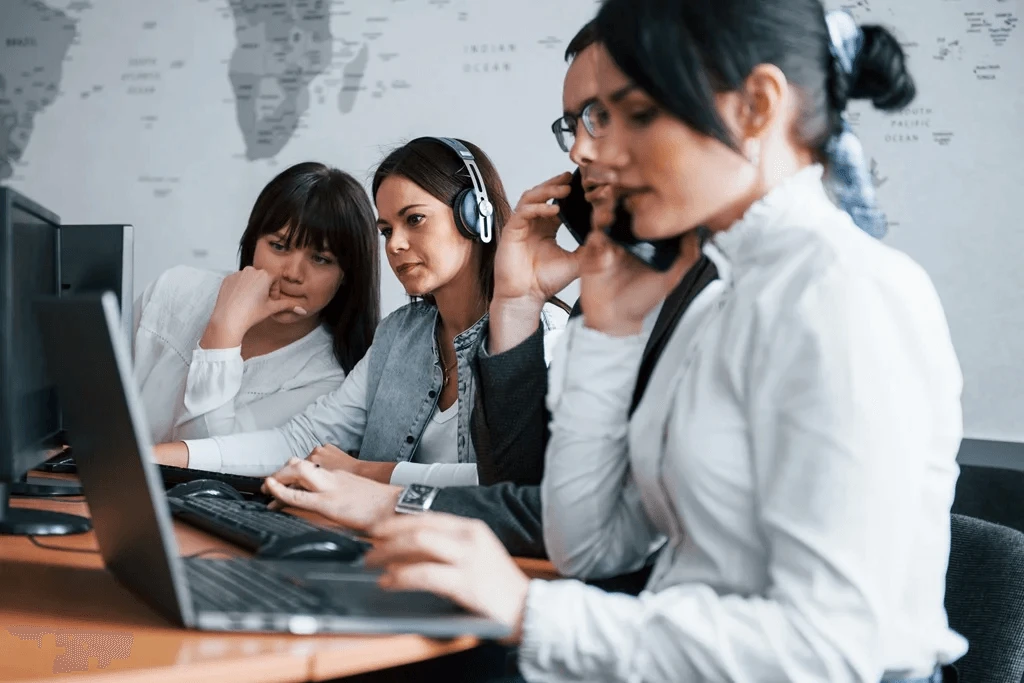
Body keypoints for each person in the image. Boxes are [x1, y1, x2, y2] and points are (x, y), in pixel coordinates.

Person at [283, 2, 970, 681]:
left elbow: (834, 648)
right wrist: (607, 337)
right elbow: (587, 544)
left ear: (757, 106)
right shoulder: (722, 299)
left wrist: (531, 610)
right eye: (588, 121)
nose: (591, 151)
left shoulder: (843, 293)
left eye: (633, 114)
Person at [261, 23, 718, 571]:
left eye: (606, 115)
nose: (578, 150)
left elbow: (563, 521)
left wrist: (385, 494)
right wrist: (517, 302)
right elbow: (555, 506)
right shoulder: (610, 300)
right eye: (573, 125)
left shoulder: (731, 295)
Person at [153, 137, 568, 487]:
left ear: (474, 216)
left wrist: (368, 473)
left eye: (415, 220)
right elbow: (302, 440)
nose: (395, 245)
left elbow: (520, 483)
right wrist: (158, 458)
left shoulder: (543, 332)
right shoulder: (398, 336)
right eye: (387, 230)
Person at [133, 162, 379, 443]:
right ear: (253, 244)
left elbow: (207, 458)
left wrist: (224, 331)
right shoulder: (175, 289)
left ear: (346, 276)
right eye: (279, 246)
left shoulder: (327, 382)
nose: (293, 274)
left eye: (320, 259)